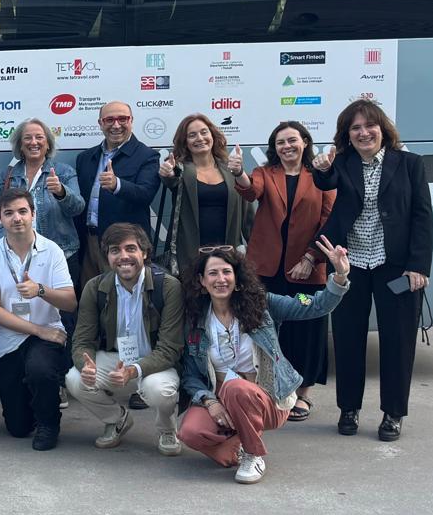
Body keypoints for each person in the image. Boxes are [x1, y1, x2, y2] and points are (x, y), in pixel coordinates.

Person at [311, 100, 433, 441]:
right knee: (348, 339)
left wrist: (418, 265)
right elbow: (325, 181)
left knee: (398, 342)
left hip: (394, 265)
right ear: (347, 135)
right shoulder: (344, 163)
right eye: (355, 128)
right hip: (350, 264)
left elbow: (423, 216)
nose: (364, 133)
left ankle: (393, 413)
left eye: (369, 126)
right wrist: (321, 167)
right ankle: (348, 408)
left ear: (383, 129)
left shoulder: (409, 164)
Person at [179, 240, 351, 483]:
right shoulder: (195, 320)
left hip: (266, 397)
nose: (221, 279)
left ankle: (253, 454)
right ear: (202, 282)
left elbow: (313, 306)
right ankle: (235, 446)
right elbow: (190, 375)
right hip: (220, 397)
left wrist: (340, 277)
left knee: (236, 388)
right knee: (190, 432)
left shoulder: (263, 303)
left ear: (237, 278)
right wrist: (210, 402)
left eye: (227, 272)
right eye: (213, 273)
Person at [233, 121, 335, 420]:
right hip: (267, 273)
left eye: (292, 140)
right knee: (265, 329)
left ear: (305, 142)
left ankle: (303, 395)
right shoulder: (266, 173)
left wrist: (311, 257)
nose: (287, 146)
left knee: (307, 329)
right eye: (280, 142)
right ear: (274, 148)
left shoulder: (321, 176)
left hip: (305, 274)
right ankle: (268, 391)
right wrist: (238, 172)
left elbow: (329, 220)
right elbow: (251, 191)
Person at [66, 223, 185, 455]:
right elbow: (82, 341)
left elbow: (170, 349)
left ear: (145, 253)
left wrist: (133, 371)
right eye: (115, 250)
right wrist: (85, 364)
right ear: (108, 257)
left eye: (130, 249)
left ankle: (167, 429)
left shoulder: (168, 286)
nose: (123, 257)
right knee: (75, 379)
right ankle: (117, 419)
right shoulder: (95, 287)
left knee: (159, 390)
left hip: (157, 363)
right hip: (117, 360)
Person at [0, 188, 77, 449]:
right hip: (9, 339)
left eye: (23, 211)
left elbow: (70, 301)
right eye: (9, 213)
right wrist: (37, 330)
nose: (17, 218)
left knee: (40, 370)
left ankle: (49, 422)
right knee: (18, 427)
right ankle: (35, 402)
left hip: (48, 333)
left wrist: (40, 290)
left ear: (33, 214)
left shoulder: (52, 250)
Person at [0, 117, 84, 285]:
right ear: (20, 146)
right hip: (17, 257)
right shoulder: (6, 176)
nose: (33, 142)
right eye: (27, 138)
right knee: (21, 300)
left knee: (60, 301)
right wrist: (7, 243)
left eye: (39, 137)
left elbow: (78, 208)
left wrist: (61, 192)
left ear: (48, 144)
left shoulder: (64, 172)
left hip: (61, 255)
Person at [74, 101, 161, 288]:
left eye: (122, 119)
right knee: (91, 297)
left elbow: (146, 194)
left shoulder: (147, 156)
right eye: (109, 120)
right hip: (89, 242)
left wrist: (117, 185)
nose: (116, 125)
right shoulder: (85, 158)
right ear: (100, 123)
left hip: (124, 246)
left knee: (123, 297)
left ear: (131, 121)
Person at [158, 113, 253, 274]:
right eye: (192, 135)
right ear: (185, 142)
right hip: (190, 254)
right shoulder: (180, 169)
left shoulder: (230, 169)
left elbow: (248, 212)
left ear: (213, 135)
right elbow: (171, 179)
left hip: (227, 252)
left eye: (204, 132)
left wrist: (255, 247)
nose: (200, 138)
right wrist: (168, 172)